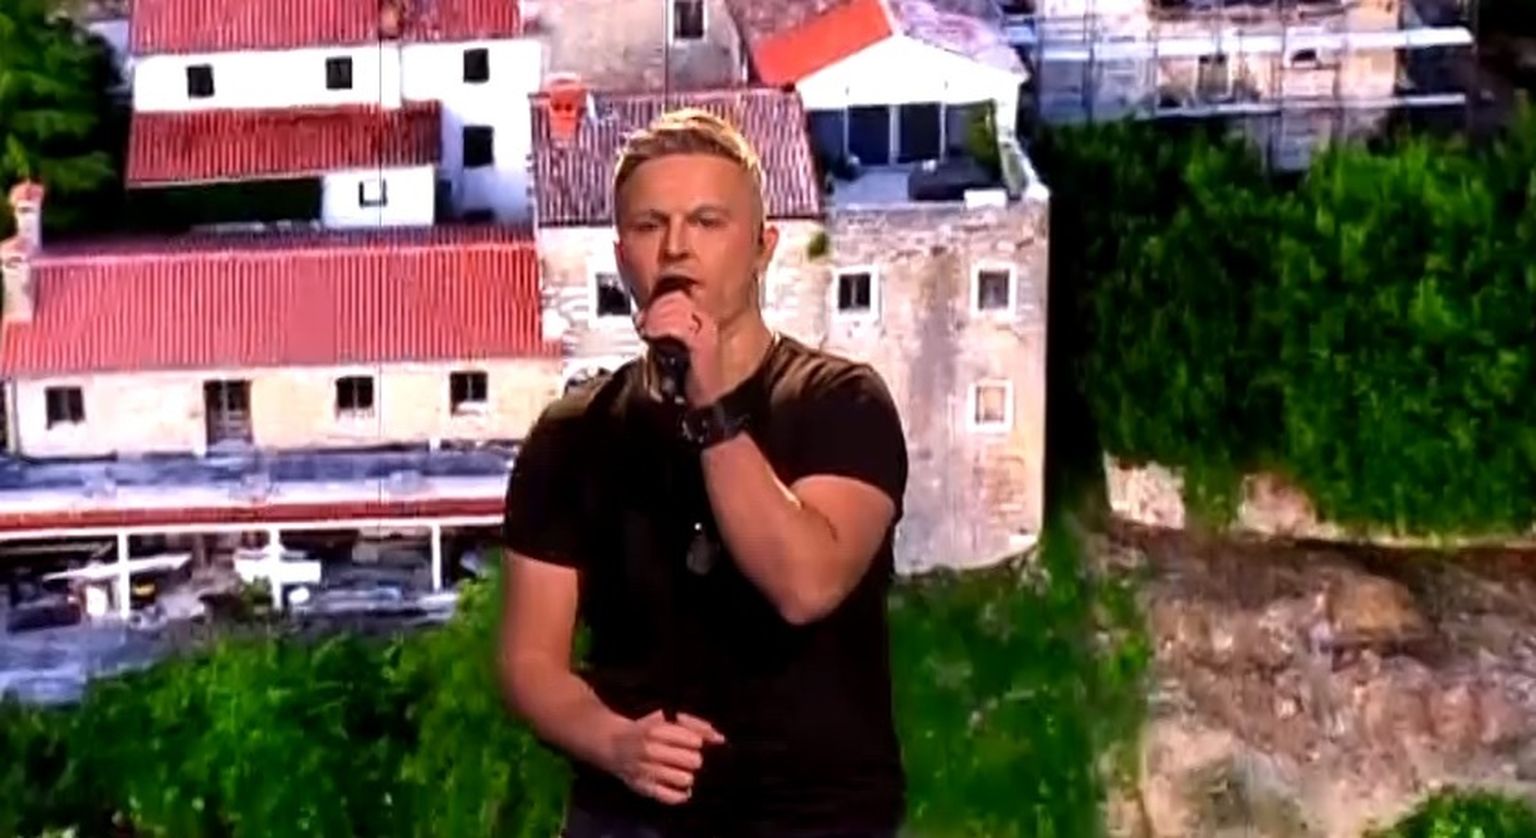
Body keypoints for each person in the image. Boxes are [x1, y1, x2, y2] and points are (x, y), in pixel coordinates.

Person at [498, 108, 910, 838]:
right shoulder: (571, 435)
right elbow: (529, 660)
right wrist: (613, 743)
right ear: (622, 256)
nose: (677, 247)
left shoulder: (840, 403)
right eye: (650, 225)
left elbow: (805, 584)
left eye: (707, 222)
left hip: (813, 818)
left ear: (762, 248)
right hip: (627, 817)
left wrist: (711, 402)